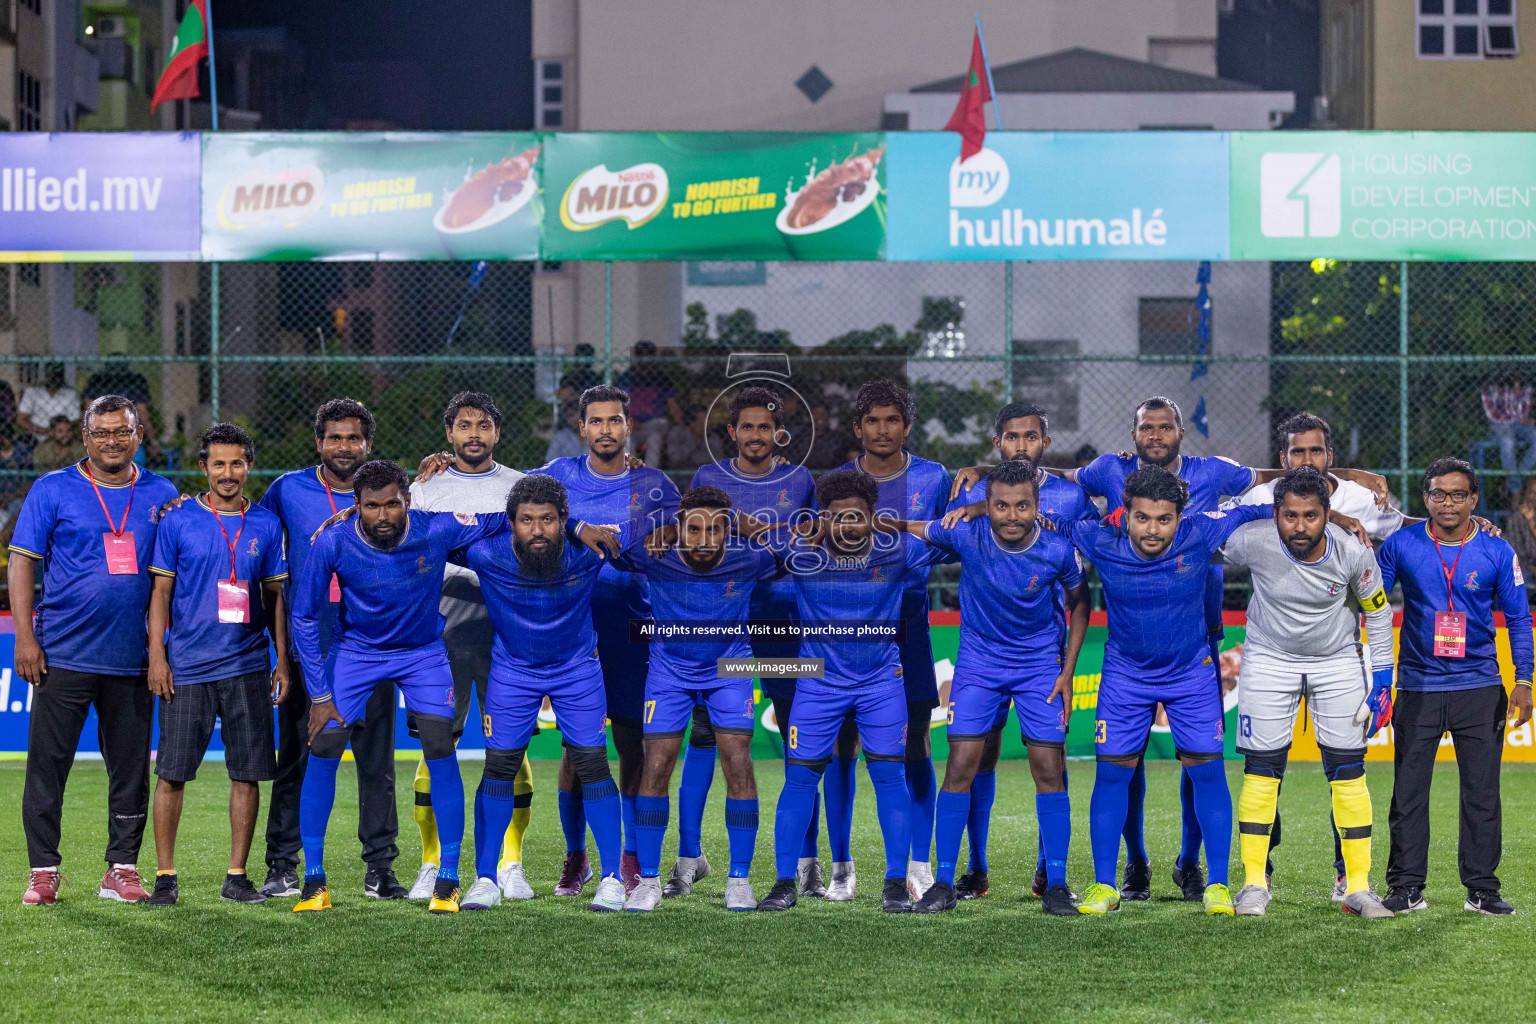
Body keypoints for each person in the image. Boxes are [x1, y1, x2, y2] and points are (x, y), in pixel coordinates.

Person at [953, 396, 1383, 903]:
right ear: (1124, 516)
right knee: (1113, 775)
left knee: (1205, 772)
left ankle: (1218, 882)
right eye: (1141, 518)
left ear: (1181, 514)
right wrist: (986, 496)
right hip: (1125, 674)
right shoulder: (1099, 534)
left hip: (1191, 669)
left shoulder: (1202, 530)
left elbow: (1280, 505)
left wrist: (1332, 518)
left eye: (1163, 519)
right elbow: (1037, 511)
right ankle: (1106, 883)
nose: (1152, 528)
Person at [289, 460, 513, 915]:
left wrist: (579, 520)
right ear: (356, 506)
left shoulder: (438, 529)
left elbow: (513, 515)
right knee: (325, 745)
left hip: (423, 653)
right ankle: (314, 879)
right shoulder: (333, 540)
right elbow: (304, 616)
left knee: (439, 745)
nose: (384, 515)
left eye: (393, 503)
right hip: (356, 652)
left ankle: (447, 878)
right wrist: (318, 694)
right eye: (371, 506)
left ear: (408, 500)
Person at [879, 458, 1091, 915]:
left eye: (1021, 506)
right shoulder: (965, 532)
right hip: (979, 664)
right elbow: (914, 527)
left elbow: (1080, 603)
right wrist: (863, 521)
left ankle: (1055, 883)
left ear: (1037, 506)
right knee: (961, 765)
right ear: (986, 505)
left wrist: (1067, 670)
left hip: (1039, 666)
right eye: (1000, 506)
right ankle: (944, 883)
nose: (1011, 515)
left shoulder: (1057, 549)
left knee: (1049, 768)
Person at [751, 469, 945, 914]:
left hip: (881, 683)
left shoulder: (896, 549)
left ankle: (895, 883)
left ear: (873, 516)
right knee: (800, 779)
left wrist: (902, 523)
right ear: (823, 518)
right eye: (836, 518)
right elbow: (746, 535)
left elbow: (955, 539)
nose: (847, 527)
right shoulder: (800, 552)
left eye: (857, 517)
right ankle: (785, 882)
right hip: (819, 684)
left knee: (889, 778)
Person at [11, 395, 178, 906]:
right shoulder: (52, 489)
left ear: (139, 435)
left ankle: (121, 870)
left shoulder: (162, 493)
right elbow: (21, 564)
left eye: (121, 432)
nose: (111, 441)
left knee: (129, 770)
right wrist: (24, 637)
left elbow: (167, 579)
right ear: (85, 437)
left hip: (132, 659)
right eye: (101, 433)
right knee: (47, 768)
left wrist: (158, 651)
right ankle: (43, 871)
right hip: (61, 654)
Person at [446, 474, 630, 912]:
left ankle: (610, 879)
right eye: (526, 520)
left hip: (577, 670)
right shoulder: (484, 553)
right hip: (512, 670)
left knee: (592, 765)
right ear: (511, 523)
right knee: (499, 767)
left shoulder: (590, 550)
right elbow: (434, 533)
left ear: (562, 520)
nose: (537, 530)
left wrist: (582, 527)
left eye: (548, 520)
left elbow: (640, 530)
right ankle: (486, 879)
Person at [1220, 466, 1395, 919]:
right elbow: (1199, 533)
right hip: (1268, 660)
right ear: (1275, 512)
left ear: (1328, 514)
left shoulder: (1354, 550)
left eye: (1312, 516)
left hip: (1336, 661)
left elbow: (1377, 613)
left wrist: (1383, 678)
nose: (1300, 526)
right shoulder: (1252, 538)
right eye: (1290, 515)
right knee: (1261, 770)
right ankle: (1255, 884)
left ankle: (1357, 886)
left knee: (1348, 769)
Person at [252, 399, 405, 901]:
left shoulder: (386, 494)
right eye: (335, 438)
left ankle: (380, 868)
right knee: (297, 756)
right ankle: (282, 865)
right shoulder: (287, 491)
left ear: (368, 443)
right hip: (310, 649)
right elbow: (250, 537)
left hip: (374, 643)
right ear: (318, 441)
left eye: (354, 438)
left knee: (375, 762)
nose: (344, 447)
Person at [533, 384, 680, 895]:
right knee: (579, 749)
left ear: (627, 427)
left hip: (635, 632)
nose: (605, 430)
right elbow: (512, 507)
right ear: (582, 429)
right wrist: (578, 528)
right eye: (595, 421)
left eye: (614, 421)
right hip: (573, 631)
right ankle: (576, 857)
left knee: (633, 744)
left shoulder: (655, 486)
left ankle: (633, 853)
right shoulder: (557, 478)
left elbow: (686, 544)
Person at [946, 401, 1096, 900]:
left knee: (1050, 763)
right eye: (1012, 437)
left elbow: (1080, 575)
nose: (1021, 446)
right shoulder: (974, 489)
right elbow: (946, 535)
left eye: (1031, 437)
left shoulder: (1072, 499)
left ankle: (1047, 874)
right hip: (984, 649)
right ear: (997, 443)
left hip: (1042, 650)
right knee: (975, 758)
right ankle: (974, 867)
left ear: (1045, 443)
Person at [1378, 457, 1534, 915]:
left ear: (1473, 500)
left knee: (1482, 794)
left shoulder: (1496, 550)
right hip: (1418, 685)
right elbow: (1371, 601)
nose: (1448, 502)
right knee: (1408, 792)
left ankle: (1482, 890)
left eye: (1458, 494)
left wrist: (1523, 680)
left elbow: (1520, 619)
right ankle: (1406, 887)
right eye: (1438, 494)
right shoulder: (1401, 544)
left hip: (1480, 686)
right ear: (1425, 498)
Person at [144, 423, 291, 906]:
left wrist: (282, 661)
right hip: (186, 668)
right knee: (171, 773)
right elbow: (160, 593)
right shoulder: (179, 519)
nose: (228, 473)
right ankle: (165, 877)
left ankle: (236, 875)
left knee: (246, 773)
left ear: (249, 465)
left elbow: (275, 598)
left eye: (237, 463)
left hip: (248, 665)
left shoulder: (266, 524)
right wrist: (158, 656)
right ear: (203, 467)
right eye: (218, 463)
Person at [686, 386, 821, 898]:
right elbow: (694, 541)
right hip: (725, 622)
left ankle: (805, 860)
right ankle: (689, 856)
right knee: (706, 733)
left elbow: (807, 544)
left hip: (785, 620)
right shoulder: (707, 478)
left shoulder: (799, 479)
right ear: (731, 433)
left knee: (797, 731)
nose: (756, 436)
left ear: (779, 433)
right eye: (747, 427)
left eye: (765, 427)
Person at [623, 486, 779, 912]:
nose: (704, 538)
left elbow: (804, 540)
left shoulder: (749, 558)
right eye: (694, 528)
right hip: (669, 671)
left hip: (730, 669)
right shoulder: (654, 553)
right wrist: (658, 528)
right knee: (655, 766)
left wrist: (755, 528)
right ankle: (649, 880)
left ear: (727, 531)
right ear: (680, 528)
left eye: (715, 529)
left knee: (738, 762)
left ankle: (739, 879)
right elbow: (606, 536)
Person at [404, 393, 533, 903]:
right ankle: (431, 862)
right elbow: (409, 551)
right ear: (449, 433)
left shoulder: (520, 486)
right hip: (444, 628)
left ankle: (511, 863)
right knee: (438, 744)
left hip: (507, 629)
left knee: (511, 747)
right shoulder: (425, 486)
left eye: (483, 425)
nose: (474, 434)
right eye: (464, 426)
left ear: (497, 433)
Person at [832, 379, 952, 902]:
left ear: (907, 425)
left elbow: (951, 540)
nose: (883, 430)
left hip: (907, 616)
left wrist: (916, 554)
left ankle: (918, 864)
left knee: (915, 741)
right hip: (846, 620)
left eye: (892, 420)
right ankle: (841, 867)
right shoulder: (837, 480)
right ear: (858, 428)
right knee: (842, 744)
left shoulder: (933, 476)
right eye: (872, 421)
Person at [1480, 369, 1536, 497]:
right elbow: (1492, 415)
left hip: (1518, 424)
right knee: (1508, 440)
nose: (1517, 389)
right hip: (1499, 423)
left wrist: (1522, 418)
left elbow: (1523, 413)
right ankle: (1514, 486)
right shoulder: (1494, 387)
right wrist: (1515, 418)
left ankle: (1519, 472)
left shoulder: (1526, 388)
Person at [17, 362, 79, 440]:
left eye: (57, 374)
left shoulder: (70, 394)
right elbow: (21, 419)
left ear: (62, 375)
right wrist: (46, 432)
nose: (54, 377)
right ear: (46, 375)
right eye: (51, 374)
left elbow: (75, 421)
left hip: (62, 438)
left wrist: (60, 432)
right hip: (35, 437)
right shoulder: (32, 392)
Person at [664, 403, 713, 472]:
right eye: (701, 423)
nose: (706, 425)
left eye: (707, 420)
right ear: (691, 422)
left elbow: (718, 460)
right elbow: (675, 459)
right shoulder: (677, 433)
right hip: (681, 476)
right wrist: (694, 438)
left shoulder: (712, 436)